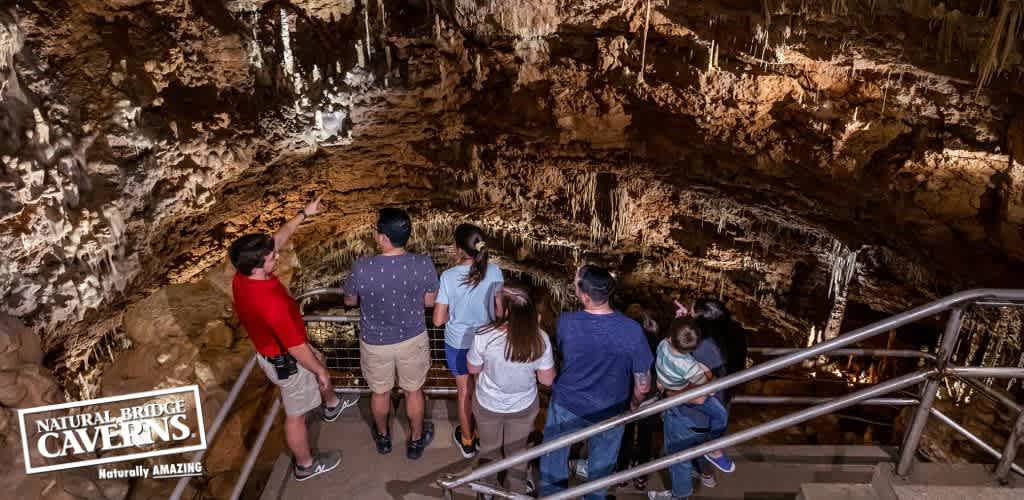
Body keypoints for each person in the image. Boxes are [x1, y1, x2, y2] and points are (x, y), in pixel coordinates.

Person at [229, 195, 343, 482]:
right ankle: (305, 465)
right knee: (296, 414)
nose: (277, 256)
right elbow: (295, 346)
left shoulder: (243, 277)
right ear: (258, 265)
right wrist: (320, 371)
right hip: (287, 360)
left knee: (317, 364)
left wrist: (305, 213)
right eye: (272, 258)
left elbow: (277, 240)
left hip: (277, 350)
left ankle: (331, 406)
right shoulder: (270, 303)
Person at [539, 265, 654, 500]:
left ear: (585, 296)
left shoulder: (566, 322)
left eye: (577, 284)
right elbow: (643, 384)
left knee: (553, 457)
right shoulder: (632, 330)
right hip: (611, 408)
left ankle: (553, 496)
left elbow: (566, 352)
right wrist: (634, 404)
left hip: (568, 403)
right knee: (601, 467)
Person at [344, 208, 439, 460]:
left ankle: (384, 438)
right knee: (413, 391)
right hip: (412, 338)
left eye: (376, 231)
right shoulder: (423, 263)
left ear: (383, 237)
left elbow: (350, 300)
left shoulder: (362, 267)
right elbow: (430, 302)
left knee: (380, 392)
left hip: (375, 342)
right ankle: (416, 441)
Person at [467, 281, 555, 494]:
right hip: (523, 405)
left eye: (497, 302)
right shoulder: (540, 338)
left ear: (507, 310)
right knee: (517, 454)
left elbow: (472, 367)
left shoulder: (484, 335)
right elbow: (547, 380)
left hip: (488, 403)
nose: (495, 305)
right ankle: (516, 492)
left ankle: (486, 489)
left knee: (489, 449)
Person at [432, 223, 504, 458]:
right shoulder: (494, 271)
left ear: (458, 248)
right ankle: (487, 439)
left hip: (459, 343)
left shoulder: (448, 276)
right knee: (484, 391)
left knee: (464, 392)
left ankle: (467, 441)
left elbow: (438, 320)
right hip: (488, 342)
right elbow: (500, 311)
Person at [647, 319, 735, 500]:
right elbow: (706, 384)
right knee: (719, 417)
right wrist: (707, 372)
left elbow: (700, 394)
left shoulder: (664, 345)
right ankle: (710, 460)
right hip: (699, 417)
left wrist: (670, 391)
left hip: (684, 413)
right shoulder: (708, 350)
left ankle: (681, 495)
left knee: (679, 459)